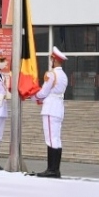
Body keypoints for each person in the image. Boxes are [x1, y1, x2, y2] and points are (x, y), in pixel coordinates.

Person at [34, 47, 69, 178]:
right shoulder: (63, 75)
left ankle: (51, 169)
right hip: (59, 107)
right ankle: (56, 169)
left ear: (54, 60)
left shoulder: (51, 74)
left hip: (50, 108)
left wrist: (34, 95)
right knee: (56, 138)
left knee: (50, 139)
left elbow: (44, 91)